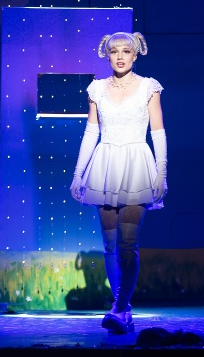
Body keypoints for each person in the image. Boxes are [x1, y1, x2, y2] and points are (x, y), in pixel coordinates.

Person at [70, 31, 167, 334]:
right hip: (106, 165)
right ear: (108, 55)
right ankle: (121, 308)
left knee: (128, 243)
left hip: (136, 164)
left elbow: (158, 132)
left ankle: (120, 308)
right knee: (110, 245)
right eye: (115, 51)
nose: (120, 56)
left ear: (135, 55)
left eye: (126, 51)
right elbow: (91, 132)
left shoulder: (149, 87)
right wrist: (78, 174)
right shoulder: (97, 89)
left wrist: (161, 173)